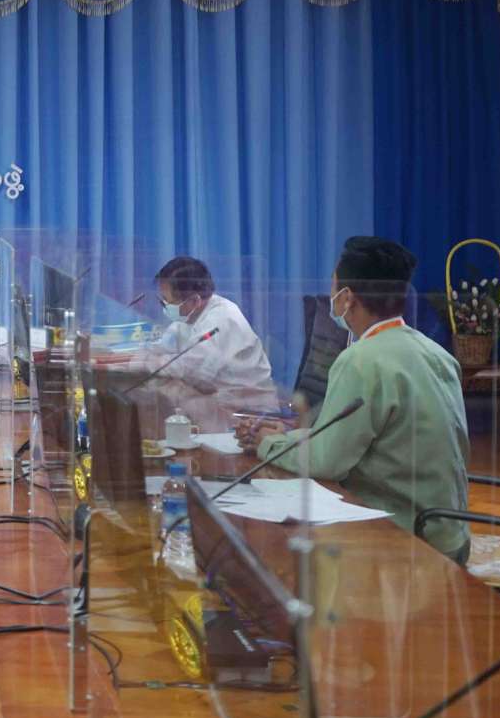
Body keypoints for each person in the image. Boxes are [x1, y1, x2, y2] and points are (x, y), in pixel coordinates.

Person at [237, 237, 470, 563]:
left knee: (279, 552)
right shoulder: (436, 353)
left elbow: (327, 461)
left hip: (403, 537)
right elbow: (359, 437)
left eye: (333, 288)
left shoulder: (361, 359)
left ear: (347, 298)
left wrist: (266, 443)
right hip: (450, 534)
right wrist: (286, 437)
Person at [126, 257, 277, 431]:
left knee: (161, 395)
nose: (165, 306)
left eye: (168, 301)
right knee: (154, 390)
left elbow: (190, 370)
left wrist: (141, 364)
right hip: (216, 399)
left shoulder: (222, 319)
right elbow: (160, 347)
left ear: (194, 301)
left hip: (246, 413)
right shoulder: (190, 315)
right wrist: (139, 359)